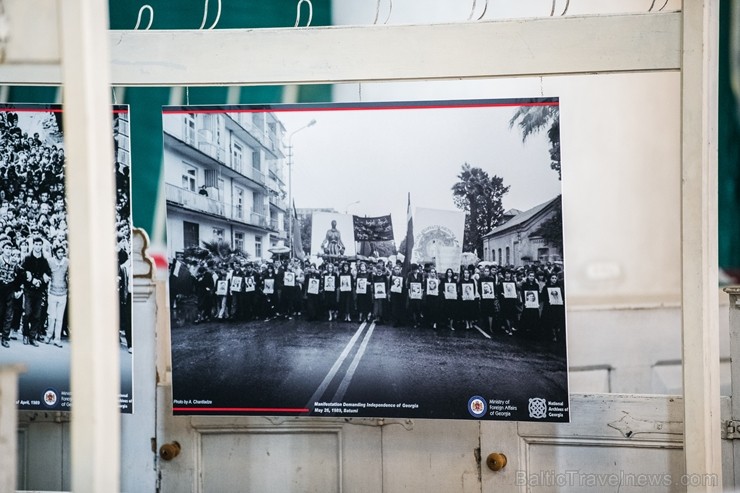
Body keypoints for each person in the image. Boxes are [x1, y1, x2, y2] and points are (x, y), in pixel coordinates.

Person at [21, 235, 51, 346]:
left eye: (40, 245)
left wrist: (42, 279)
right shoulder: (28, 258)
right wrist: (31, 278)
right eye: (36, 244)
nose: (38, 247)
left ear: (42, 246)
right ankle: (25, 335)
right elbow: (21, 272)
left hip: (39, 291)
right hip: (28, 289)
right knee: (27, 312)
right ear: (33, 245)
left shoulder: (44, 260)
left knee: (37, 315)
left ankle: (32, 337)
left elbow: (48, 273)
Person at [0, 240, 22, 348]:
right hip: (0, 288)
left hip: (10, 289)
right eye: (6, 248)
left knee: (9, 314)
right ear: (2, 249)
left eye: (10, 248)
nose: (8, 251)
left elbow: (19, 277)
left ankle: (5, 337)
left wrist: (18, 290)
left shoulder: (14, 262)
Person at [45, 245, 68, 348]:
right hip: (52, 292)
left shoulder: (67, 262)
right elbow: (45, 273)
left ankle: (57, 339)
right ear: (55, 253)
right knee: (51, 317)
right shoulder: (50, 261)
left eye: (62, 252)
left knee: (60, 318)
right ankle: (48, 335)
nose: (61, 254)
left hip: (63, 293)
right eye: (58, 252)